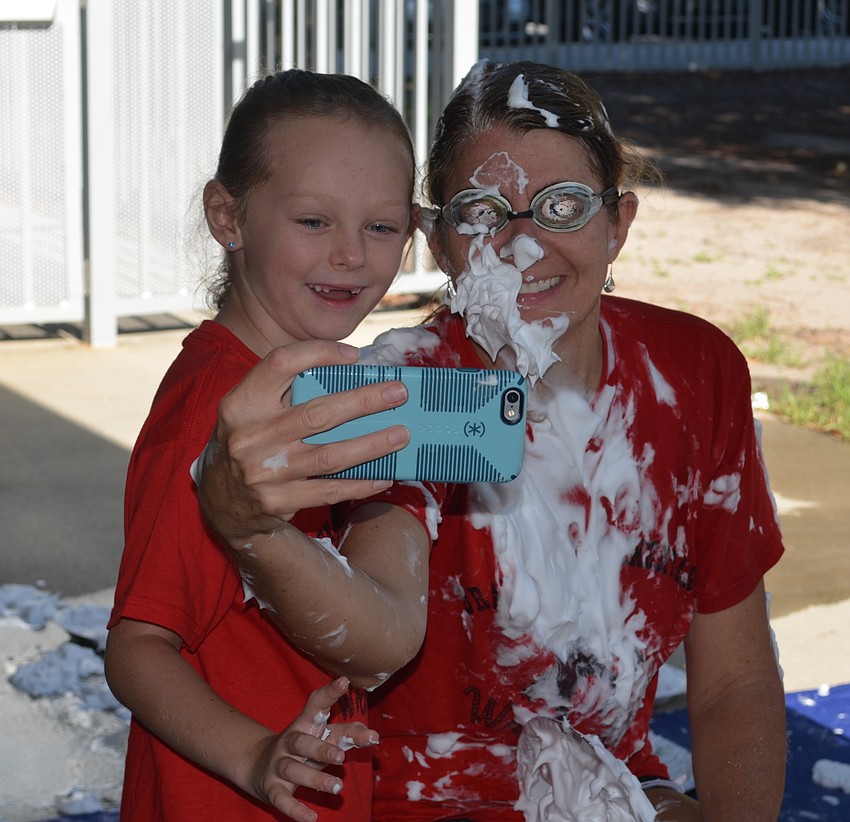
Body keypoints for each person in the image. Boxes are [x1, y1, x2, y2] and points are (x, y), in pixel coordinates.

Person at [196, 60, 787, 821]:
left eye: (564, 206)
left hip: (615, 784)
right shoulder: (408, 388)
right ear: (440, 242)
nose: (523, 245)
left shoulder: (694, 372)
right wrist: (253, 529)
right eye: (481, 212)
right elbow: (379, 635)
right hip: (430, 801)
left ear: (620, 224)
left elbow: (734, 678)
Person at [104, 68, 439, 821]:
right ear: (229, 217)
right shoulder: (216, 410)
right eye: (314, 222)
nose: (351, 256)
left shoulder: (318, 388)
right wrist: (256, 758)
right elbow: (137, 647)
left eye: (382, 227)